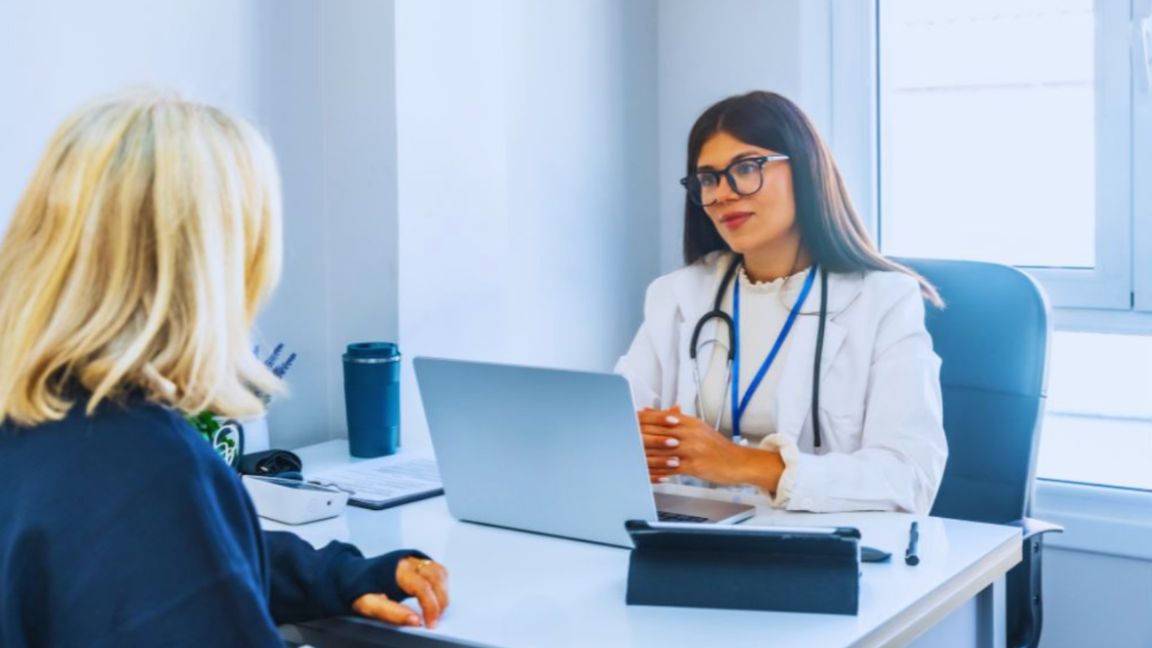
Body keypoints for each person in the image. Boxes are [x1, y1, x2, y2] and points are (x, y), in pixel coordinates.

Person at [0, 90, 448, 646]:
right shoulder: (142, 466)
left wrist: (339, 576)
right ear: (209, 268)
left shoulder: (41, 422)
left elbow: (168, 564)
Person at [616, 91, 947, 514]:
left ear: (806, 170)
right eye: (709, 178)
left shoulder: (884, 301)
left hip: (818, 546)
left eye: (747, 168)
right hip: (688, 536)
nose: (722, 194)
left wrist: (743, 464)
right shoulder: (678, 296)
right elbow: (617, 426)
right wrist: (632, 440)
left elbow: (910, 478)